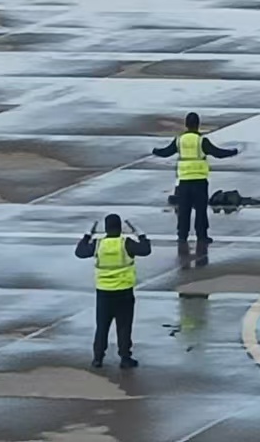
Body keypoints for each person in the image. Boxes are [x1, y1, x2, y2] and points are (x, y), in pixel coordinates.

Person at [152, 112, 237, 258]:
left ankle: (182, 236)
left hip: (184, 181)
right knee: (200, 210)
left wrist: (156, 151)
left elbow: (166, 152)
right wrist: (232, 152)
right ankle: (202, 236)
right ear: (198, 124)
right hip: (199, 181)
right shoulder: (201, 141)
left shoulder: (180, 140)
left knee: (184, 211)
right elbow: (217, 153)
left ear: (186, 124)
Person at [76, 212, 151, 368]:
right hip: (124, 291)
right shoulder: (126, 243)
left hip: (104, 292)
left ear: (105, 228)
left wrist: (87, 235)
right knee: (124, 326)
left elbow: (80, 252)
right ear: (120, 228)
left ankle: (97, 358)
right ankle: (125, 357)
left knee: (102, 326)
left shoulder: (98, 244)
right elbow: (145, 250)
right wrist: (140, 234)